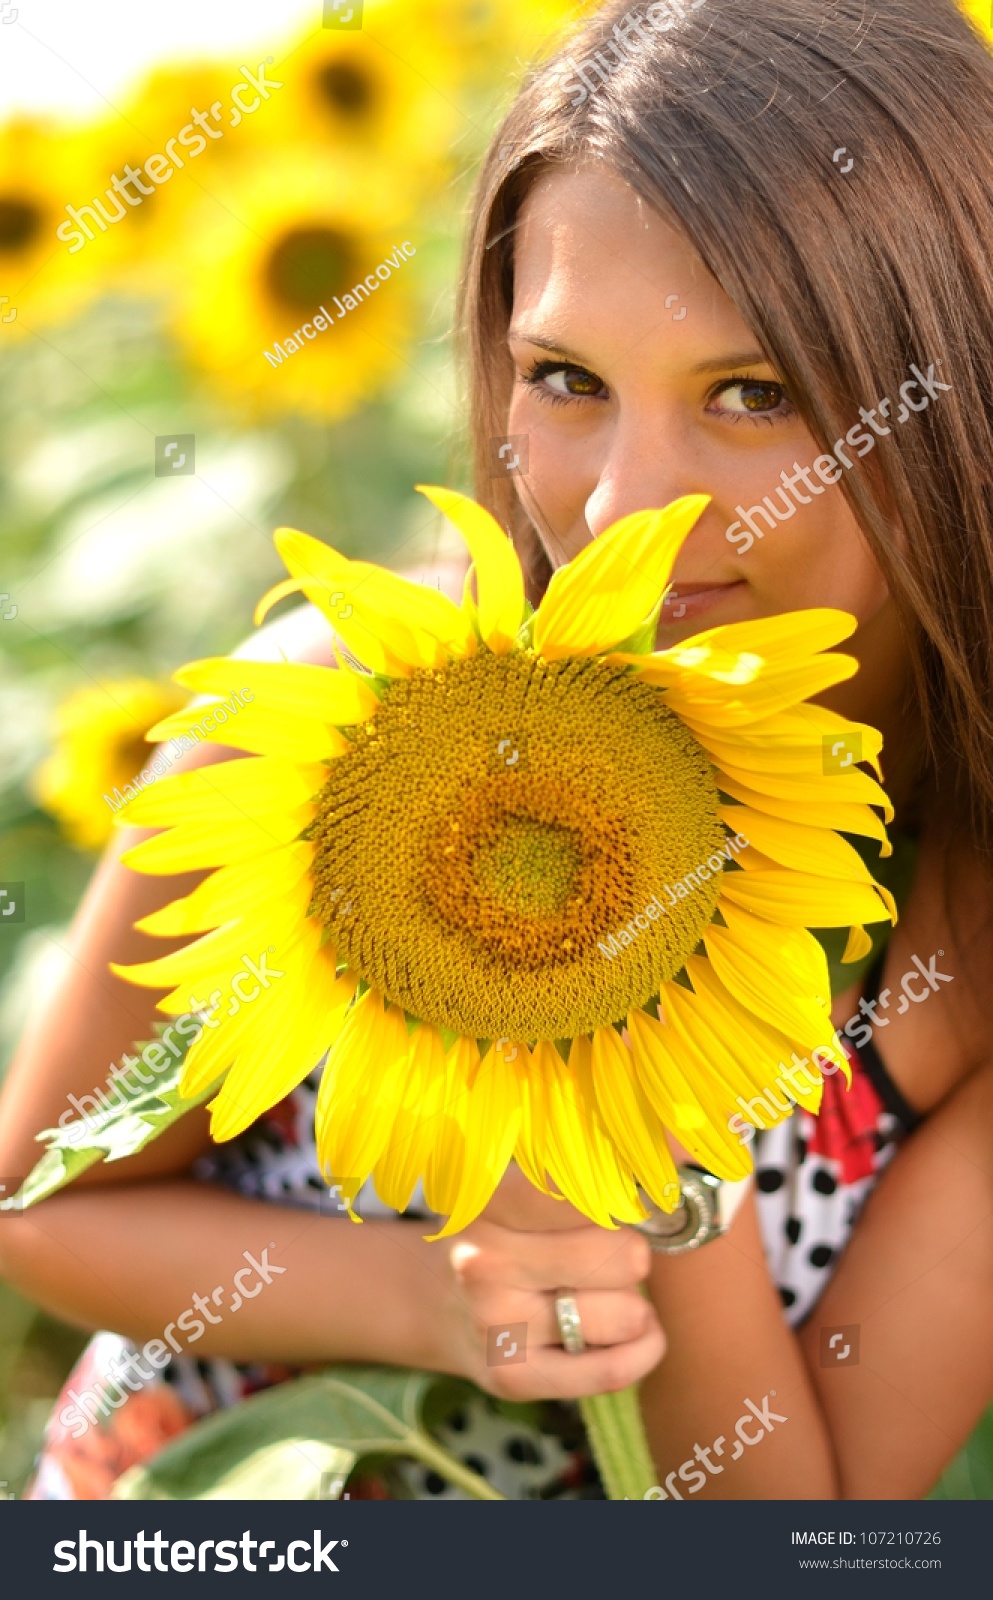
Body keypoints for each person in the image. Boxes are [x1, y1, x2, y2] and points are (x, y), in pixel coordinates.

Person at [1, 0, 992, 1501]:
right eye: (566, 381)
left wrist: (633, 1095)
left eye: (753, 393)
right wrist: (433, 1299)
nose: (615, 510)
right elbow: (41, 1205)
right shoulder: (331, 741)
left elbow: (803, 1525)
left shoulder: (964, 936)